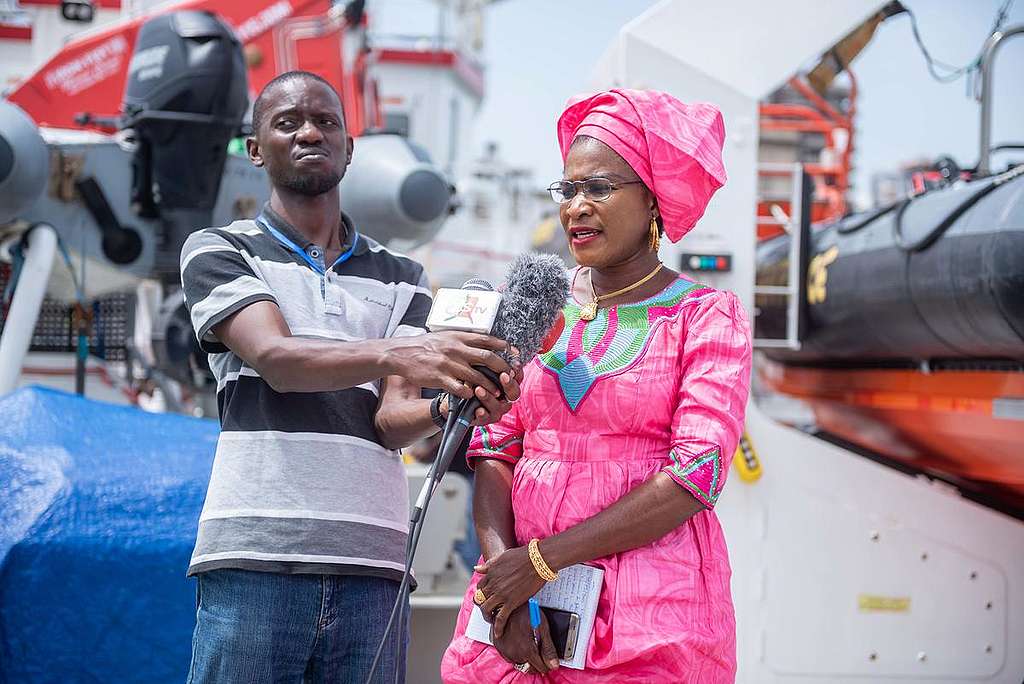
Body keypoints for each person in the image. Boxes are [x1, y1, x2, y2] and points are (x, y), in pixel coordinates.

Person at [180, 70, 520, 683]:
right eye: (288, 123)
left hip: (375, 566)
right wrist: (398, 354)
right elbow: (277, 361)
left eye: (327, 121)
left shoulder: (403, 275)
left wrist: (454, 408)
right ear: (255, 150)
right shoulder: (219, 250)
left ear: (349, 147)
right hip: (257, 560)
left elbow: (391, 423)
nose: (310, 131)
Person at [440, 88, 752, 682]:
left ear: (654, 197)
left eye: (600, 188)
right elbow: (495, 449)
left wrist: (542, 561)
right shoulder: (537, 309)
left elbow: (696, 475)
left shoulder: (706, 317)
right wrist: (503, 576)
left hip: (650, 615)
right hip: (520, 614)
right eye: (569, 189)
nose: (577, 207)